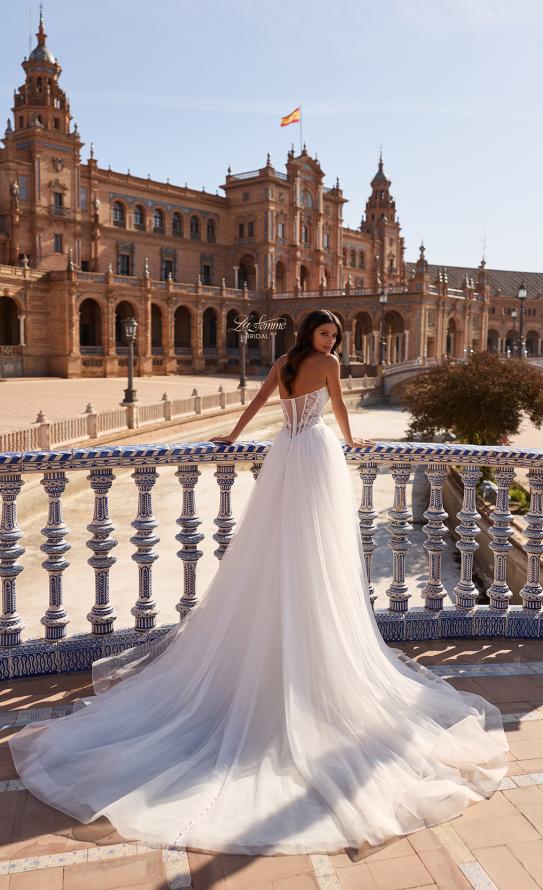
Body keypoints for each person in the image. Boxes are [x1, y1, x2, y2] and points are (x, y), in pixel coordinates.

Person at [8, 309, 509, 859]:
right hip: (315, 454)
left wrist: (237, 435)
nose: (331, 340)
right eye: (325, 332)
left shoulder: (286, 362)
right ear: (311, 334)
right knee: (313, 546)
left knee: (276, 545)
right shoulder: (327, 365)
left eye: (333, 334)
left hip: (286, 454)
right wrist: (349, 439)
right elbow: (337, 410)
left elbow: (260, 406)